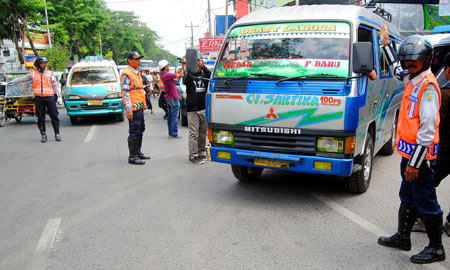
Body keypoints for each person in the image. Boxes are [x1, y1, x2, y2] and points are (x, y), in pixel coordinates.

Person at [377, 25, 445, 264]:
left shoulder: (427, 87)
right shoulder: (411, 77)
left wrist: (414, 164)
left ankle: (436, 248)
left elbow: (427, 132)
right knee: (407, 196)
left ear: (426, 61)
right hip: (409, 155)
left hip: (421, 158)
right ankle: (402, 237)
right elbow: (396, 69)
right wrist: (386, 45)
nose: (408, 65)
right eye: (407, 62)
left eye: (414, 62)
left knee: (426, 200)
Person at [9, 57, 62, 143]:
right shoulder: (33, 74)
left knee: (54, 116)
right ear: (38, 64)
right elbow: (22, 79)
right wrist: (12, 82)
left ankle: (57, 133)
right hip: (39, 98)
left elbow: (55, 85)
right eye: (42, 63)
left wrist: (59, 96)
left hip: (49, 98)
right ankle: (43, 134)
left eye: (45, 63)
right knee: (40, 118)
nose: (44, 65)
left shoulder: (50, 74)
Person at [121, 51, 150, 165]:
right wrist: (128, 109)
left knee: (140, 129)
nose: (139, 61)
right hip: (133, 107)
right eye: (136, 59)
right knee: (134, 131)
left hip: (139, 105)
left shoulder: (136, 72)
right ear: (129, 60)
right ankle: (132, 156)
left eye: (139, 59)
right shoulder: (126, 74)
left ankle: (138, 152)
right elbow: (126, 92)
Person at [183, 58, 211, 164]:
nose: (198, 63)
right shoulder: (189, 76)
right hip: (193, 110)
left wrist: (203, 67)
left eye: (200, 62)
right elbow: (184, 80)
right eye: (197, 62)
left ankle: (201, 153)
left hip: (203, 108)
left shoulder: (204, 75)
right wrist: (189, 68)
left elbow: (211, 76)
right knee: (194, 134)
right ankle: (193, 155)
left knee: (202, 133)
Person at [158, 59, 184, 139]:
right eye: (168, 65)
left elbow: (176, 74)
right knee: (174, 117)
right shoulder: (166, 75)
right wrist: (184, 67)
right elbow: (180, 75)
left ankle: (171, 132)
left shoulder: (164, 74)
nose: (168, 67)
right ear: (165, 67)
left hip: (169, 98)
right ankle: (173, 133)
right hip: (173, 98)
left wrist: (182, 66)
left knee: (171, 116)